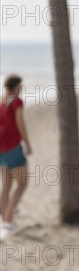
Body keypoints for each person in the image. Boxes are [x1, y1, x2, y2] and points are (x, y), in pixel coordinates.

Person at [0, 74, 32, 231]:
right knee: (22, 183)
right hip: (12, 146)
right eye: (20, 85)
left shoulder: (1, 100)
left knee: (6, 184)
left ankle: (5, 220)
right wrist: (27, 143)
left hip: (1, 147)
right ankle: (8, 217)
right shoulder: (17, 101)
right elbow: (21, 123)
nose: (22, 88)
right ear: (15, 87)